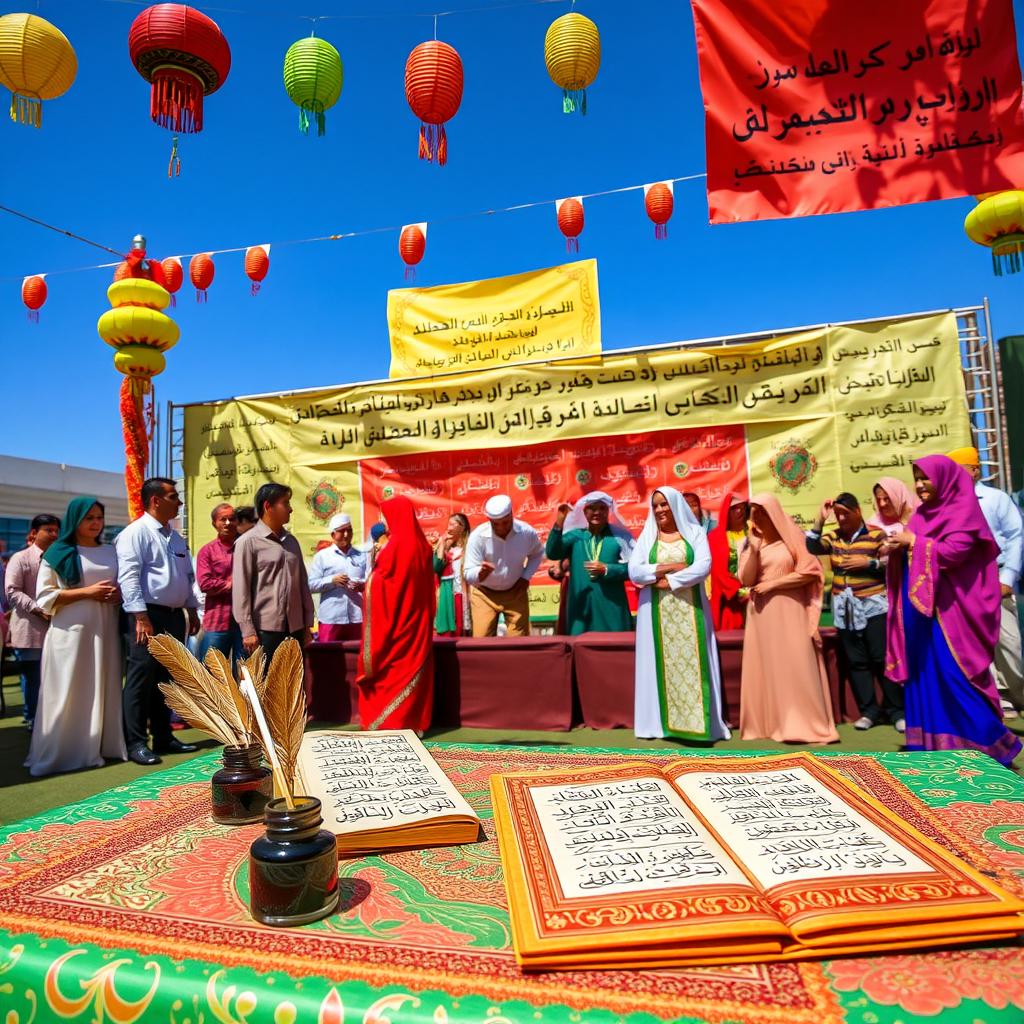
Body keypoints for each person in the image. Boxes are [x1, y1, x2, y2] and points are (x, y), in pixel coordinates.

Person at [883, 455, 1021, 766]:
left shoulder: (963, 510)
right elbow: (917, 549)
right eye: (916, 479)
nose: (919, 485)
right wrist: (897, 549)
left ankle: (991, 745)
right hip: (923, 615)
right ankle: (935, 746)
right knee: (925, 677)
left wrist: (914, 542)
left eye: (924, 478)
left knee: (954, 676)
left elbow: (954, 553)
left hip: (953, 615)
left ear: (944, 479)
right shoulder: (922, 515)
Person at [25, 498, 127, 776]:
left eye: (99, 517)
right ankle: (62, 752)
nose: (95, 523)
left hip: (105, 628)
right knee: (68, 689)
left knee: (101, 684)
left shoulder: (111, 551)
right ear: (75, 519)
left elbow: (122, 585)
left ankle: (101, 746)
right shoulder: (58, 553)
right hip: (69, 633)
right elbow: (43, 597)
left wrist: (118, 595)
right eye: (89, 518)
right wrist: (87, 592)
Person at [629, 487, 730, 741]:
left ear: (675, 505)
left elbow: (703, 566)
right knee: (657, 663)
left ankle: (699, 723)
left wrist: (670, 582)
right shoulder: (648, 535)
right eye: (656, 506)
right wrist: (671, 567)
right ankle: (658, 724)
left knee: (693, 661)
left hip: (691, 610)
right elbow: (635, 572)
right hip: (654, 611)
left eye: (665, 504)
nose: (660, 510)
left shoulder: (695, 532)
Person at [739, 493, 838, 744]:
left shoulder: (794, 539)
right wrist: (754, 547)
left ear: (773, 513)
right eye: (754, 511)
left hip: (790, 610)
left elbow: (811, 572)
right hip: (761, 616)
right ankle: (770, 723)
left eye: (761, 511)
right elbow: (747, 580)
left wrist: (774, 584)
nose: (757, 516)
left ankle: (803, 722)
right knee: (768, 668)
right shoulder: (749, 544)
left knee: (795, 664)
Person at [116, 477, 201, 765]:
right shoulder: (135, 533)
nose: (178, 502)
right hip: (146, 616)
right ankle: (136, 743)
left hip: (175, 616)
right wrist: (140, 616)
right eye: (173, 496)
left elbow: (187, 579)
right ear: (155, 500)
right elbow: (128, 578)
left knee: (167, 679)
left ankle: (163, 736)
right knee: (141, 679)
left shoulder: (175, 537)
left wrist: (191, 609)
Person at [806, 493, 905, 732]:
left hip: (873, 604)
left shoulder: (875, 534)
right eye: (838, 514)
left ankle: (896, 711)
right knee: (857, 661)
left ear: (858, 511)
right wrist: (820, 519)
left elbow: (891, 563)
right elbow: (811, 546)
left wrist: (868, 564)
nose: (841, 518)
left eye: (845, 514)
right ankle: (869, 711)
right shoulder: (834, 536)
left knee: (881, 657)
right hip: (845, 607)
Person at [947, 446, 1024, 716]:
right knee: (976, 646)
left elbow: (1016, 537)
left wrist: (1008, 577)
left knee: (1010, 643)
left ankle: (1019, 693)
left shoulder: (995, 499)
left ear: (975, 470)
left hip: (997, 576)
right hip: (964, 583)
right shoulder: (948, 502)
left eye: (959, 469)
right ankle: (997, 698)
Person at [356, 495, 435, 732]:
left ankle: (388, 723)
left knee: (389, 673)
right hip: (418, 623)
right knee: (411, 669)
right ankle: (413, 724)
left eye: (385, 516)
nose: (384, 521)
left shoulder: (395, 549)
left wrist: (371, 582)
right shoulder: (423, 547)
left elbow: (382, 585)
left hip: (396, 622)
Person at [233, 483, 314, 664]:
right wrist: (248, 631)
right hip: (264, 631)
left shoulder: (291, 542)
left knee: (293, 685)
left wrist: (307, 623)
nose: (290, 509)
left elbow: (302, 584)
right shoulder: (248, 542)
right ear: (268, 506)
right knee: (267, 685)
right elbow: (241, 589)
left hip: (295, 628)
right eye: (285, 504)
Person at [545, 492, 635, 634]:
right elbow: (553, 553)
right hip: (582, 608)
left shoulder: (620, 537)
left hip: (612, 606)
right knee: (581, 648)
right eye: (592, 508)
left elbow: (634, 569)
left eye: (602, 508)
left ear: (608, 511)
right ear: (585, 511)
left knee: (615, 648)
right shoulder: (575, 536)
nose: (597, 512)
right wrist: (559, 523)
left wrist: (608, 569)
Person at [3, 513, 60, 728]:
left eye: (56, 531)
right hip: (30, 629)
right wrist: (39, 610)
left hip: (57, 628)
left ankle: (50, 720)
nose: (54, 535)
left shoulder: (59, 559)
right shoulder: (21, 558)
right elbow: (12, 592)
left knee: (54, 677)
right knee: (33, 677)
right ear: (34, 533)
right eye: (49, 530)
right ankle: (32, 719)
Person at [463, 495, 545, 637]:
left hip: (515, 592)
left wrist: (525, 577)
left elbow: (537, 554)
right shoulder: (477, 537)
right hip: (484, 594)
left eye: (505, 523)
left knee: (519, 643)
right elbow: (468, 573)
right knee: (482, 642)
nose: (501, 527)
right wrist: (480, 573)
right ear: (489, 520)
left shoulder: (526, 533)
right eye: (496, 524)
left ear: (511, 514)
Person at [309, 512, 367, 642]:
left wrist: (362, 585)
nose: (346, 534)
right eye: (342, 531)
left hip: (357, 618)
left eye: (349, 530)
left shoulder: (361, 556)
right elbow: (311, 585)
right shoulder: (322, 556)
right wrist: (331, 581)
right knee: (329, 658)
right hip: (331, 618)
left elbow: (370, 581)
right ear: (333, 534)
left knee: (355, 658)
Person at [195, 503, 242, 662]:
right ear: (214, 523)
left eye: (232, 519)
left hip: (245, 624)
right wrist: (232, 585)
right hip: (218, 621)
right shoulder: (207, 551)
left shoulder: (248, 547)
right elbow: (205, 584)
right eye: (223, 519)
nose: (228, 523)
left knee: (246, 676)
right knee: (211, 675)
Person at [708, 493, 750, 631]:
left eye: (743, 507)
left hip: (756, 594)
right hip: (729, 598)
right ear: (727, 511)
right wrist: (738, 591)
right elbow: (718, 571)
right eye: (735, 508)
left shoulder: (755, 533)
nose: (740, 511)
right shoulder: (715, 537)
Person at [433, 512, 472, 636]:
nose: (448, 528)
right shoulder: (445, 546)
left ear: (462, 527)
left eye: (452, 525)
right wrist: (442, 543)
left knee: (462, 631)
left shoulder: (470, 547)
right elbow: (436, 567)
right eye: (448, 524)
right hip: (448, 594)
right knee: (448, 632)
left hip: (465, 595)